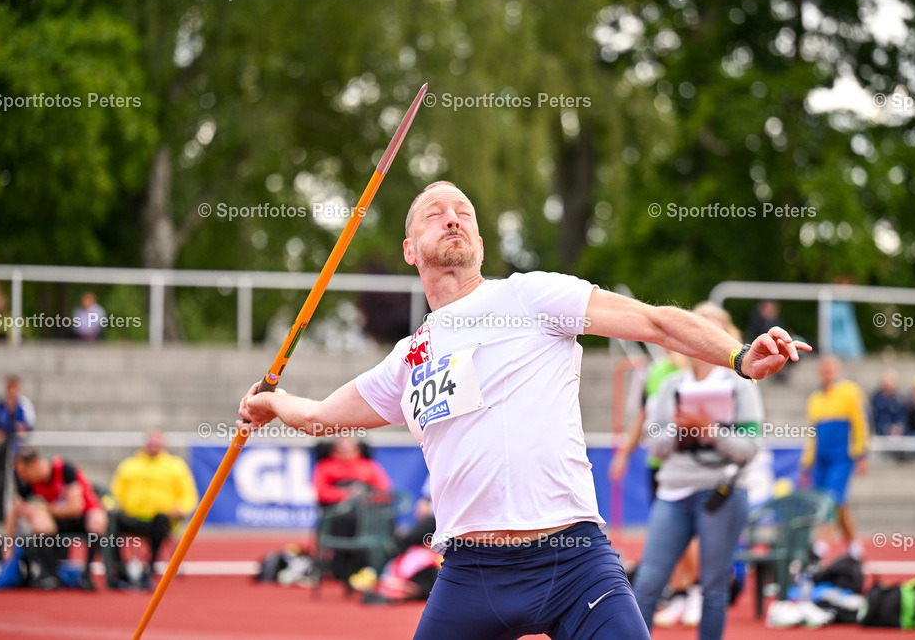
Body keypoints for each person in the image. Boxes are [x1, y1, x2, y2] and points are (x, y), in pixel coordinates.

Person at [237, 181, 809, 640]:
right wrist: (272, 401)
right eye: (435, 213)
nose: (454, 217)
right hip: (472, 573)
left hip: (574, 560)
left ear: (480, 244)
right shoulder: (405, 361)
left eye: (464, 211)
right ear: (411, 249)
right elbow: (320, 417)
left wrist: (738, 355)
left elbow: (655, 321)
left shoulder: (530, 296)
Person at [631, 302, 764, 639]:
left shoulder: (741, 385)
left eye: (710, 325)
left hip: (721, 493)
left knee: (713, 588)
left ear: (726, 335)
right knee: (646, 585)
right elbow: (653, 445)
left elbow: (750, 449)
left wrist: (710, 430)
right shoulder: (670, 385)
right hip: (674, 493)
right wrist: (682, 430)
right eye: (696, 325)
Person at [608, 351, 702, 628]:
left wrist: (685, 359)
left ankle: (697, 590)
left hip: (685, 460)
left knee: (690, 531)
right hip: (657, 461)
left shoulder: (692, 367)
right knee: (671, 531)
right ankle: (682, 592)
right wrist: (624, 454)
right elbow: (643, 414)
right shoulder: (655, 371)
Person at [9, 447, 109, 590]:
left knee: (98, 520)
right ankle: (53, 575)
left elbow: (76, 508)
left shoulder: (63, 469)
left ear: (35, 464)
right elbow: (15, 508)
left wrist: (45, 509)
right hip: (60, 520)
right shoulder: (33, 482)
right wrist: (9, 543)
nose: (23, 478)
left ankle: (86, 576)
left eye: (24, 473)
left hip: (83, 516)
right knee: (40, 523)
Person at [109, 429, 198, 587]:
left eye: (158, 444)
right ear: (145, 444)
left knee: (161, 520)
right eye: (152, 443)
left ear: (164, 445)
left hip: (160, 521)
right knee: (112, 520)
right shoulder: (129, 465)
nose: (154, 447)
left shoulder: (176, 467)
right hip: (132, 518)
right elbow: (114, 493)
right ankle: (120, 566)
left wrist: (180, 509)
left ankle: (150, 566)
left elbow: (188, 495)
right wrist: (112, 508)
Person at [799, 356, 868, 555]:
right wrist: (806, 463)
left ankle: (820, 545)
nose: (827, 372)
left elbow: (860, 423)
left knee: (832, 498)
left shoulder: (849, 392)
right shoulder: (815, 399)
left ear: (837, 370)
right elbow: (811, 434)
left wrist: (861, 454)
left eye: (831, 368)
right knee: (833, 503)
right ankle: (853, 544)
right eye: (824, 369)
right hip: (821, 458)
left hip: (841, 455)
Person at [313, 437, 393, 586]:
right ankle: (343, 567)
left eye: (349, 446)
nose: (345, 450)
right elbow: (321, 493)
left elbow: (385, 493)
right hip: (339, 518)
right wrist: (345, 495)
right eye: (340, 447)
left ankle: (376, 566)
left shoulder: (369, 467)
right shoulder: (325, 467)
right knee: (347, 517)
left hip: (367, 517)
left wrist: (365, 497)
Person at [0, 375, 36, 444]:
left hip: (18, 441)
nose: (12, 391)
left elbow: (30, 423)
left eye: (14, 388)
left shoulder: (25, 404)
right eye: (10, 388)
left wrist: (23, 429)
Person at [870, 370, 905, 436]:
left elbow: (901, 418)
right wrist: (887, 428)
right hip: (880, 434)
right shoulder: (876, 400)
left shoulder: (898, 400)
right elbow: (875, 419)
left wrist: (898, 427)